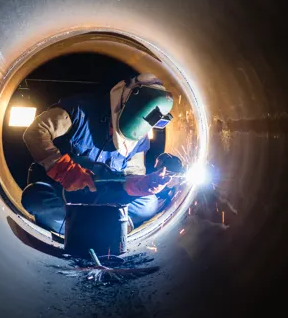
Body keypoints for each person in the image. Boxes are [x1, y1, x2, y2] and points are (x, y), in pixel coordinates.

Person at [21, 73, 174, 234]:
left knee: (149, 204)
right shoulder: (78, 110)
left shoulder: (140, 137)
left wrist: (143, 185)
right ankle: (82, 227)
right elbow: (35, 132)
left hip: (105, 199)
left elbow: (132, 176)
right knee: (35, 199)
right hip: (62, 193)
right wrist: (64, 169)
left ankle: (105, 226)